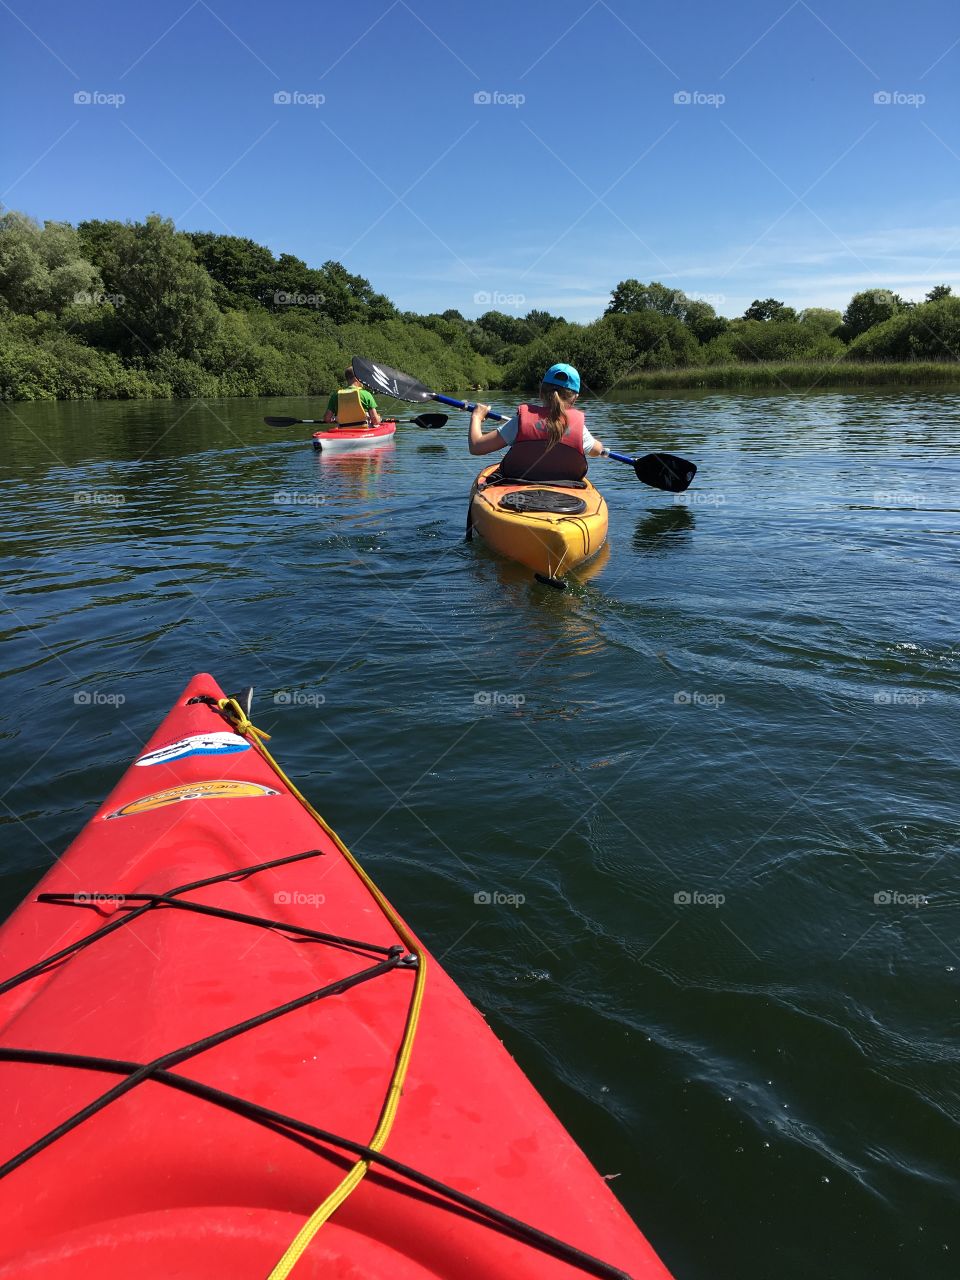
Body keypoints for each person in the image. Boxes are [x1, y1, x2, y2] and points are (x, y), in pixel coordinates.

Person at [468, 363, 606, 481]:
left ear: (541, 392)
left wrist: (477, 417)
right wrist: (599, 446)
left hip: (518, 491)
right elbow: (597, 451)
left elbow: (476, 447)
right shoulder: (579, 429)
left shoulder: (519, 422)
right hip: (565, 493)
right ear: (575, 398)